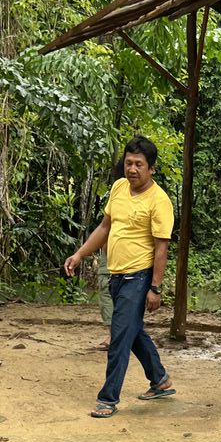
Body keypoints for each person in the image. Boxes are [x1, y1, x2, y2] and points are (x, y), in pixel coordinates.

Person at [64, 136, 176, 418]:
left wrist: (156, 288)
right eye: (129, 163)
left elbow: (161, 247)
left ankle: (108, 398)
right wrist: (79, 254)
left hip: (139, 278)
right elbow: (105, 227)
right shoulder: (118, 188)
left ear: (151, 168)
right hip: (116, 274)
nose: (133, 169)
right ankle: (160, 379)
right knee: (132, 331)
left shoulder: (159, 201)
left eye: (139, 164)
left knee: (119, 338)